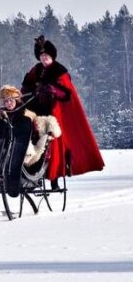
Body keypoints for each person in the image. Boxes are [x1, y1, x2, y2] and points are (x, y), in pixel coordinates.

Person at [21, 35, 104, 186]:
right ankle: (32, 173)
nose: (44, 58)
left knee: (52, 144)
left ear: (52, 56)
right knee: (32, 138)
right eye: (41, 56)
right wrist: (25, 94)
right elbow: (26, 85)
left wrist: (52, 89)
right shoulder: (36, 69)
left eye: (46, 56)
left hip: (54, 111)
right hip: (36, 108)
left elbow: (66, 93)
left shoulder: (60, 71)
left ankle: (54, 178)